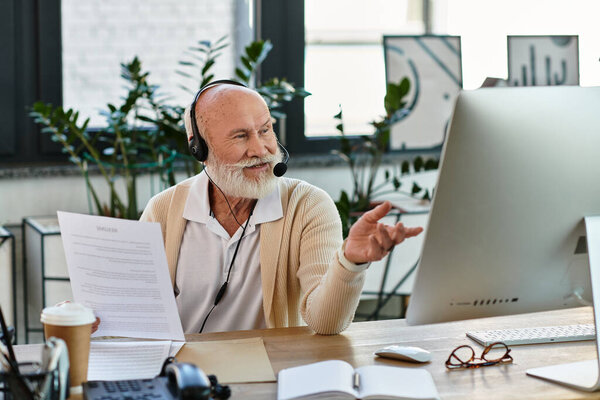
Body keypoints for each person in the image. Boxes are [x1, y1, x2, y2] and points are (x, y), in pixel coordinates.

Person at [92, 81, 423, 335]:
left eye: (265, 130)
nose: (261, 148)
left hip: (273, 372)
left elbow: (325, 323)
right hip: (186, 375)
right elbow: (136, 314)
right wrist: (88, 314)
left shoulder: (308, 206)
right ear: (199, 148)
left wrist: (350, 261)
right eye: (240, 137)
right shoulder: (164, 209)